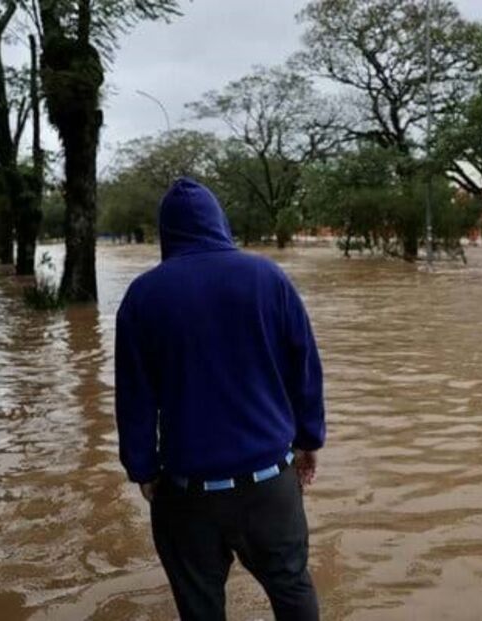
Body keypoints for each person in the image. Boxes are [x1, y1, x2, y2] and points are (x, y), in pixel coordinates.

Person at [115, 178, 325, 621]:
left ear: (166, 233)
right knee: (292, 589)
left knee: (200, 609)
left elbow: (133, 399)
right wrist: (309, 440)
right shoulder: (269, 279)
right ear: (220, 222)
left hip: (187, 495)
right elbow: (304, 368)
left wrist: (143, 468)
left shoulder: (142, 297)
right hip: (270, 485)